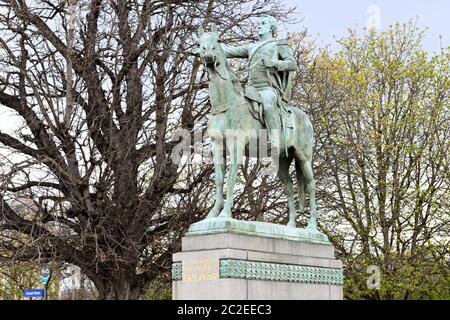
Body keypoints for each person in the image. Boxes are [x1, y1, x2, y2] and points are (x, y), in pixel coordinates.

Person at [221, 15, 297, 153]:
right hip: (251, 90)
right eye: (258, 24)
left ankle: (275, 139)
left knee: (267, 103)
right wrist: (211, 44)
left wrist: (275, 64)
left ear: (271, 28)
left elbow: (292, 64)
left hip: (268, 88)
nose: (259, 26)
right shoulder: (251, 47)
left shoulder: (278, 45)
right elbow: (228, 51)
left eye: (263, 24)